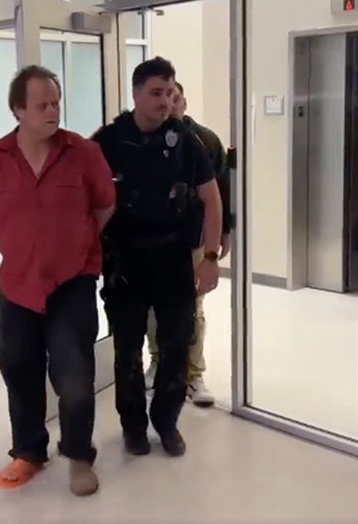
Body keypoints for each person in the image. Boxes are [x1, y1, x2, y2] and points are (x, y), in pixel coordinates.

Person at [0, 65, 116, 496]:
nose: (53, 111)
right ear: (18, 110)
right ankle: (29, 451)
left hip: (73, 281)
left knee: (74, 376)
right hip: (18, 284)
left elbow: (105, 206)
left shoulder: (85, 153)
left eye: (56, 103)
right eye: (42, 105)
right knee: (18, 368)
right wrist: (28, 243)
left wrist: (76, 243)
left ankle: (78, 455)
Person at [91, 57, 223, 457]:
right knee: (128, 350)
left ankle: (166, 422)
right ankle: (133, 427)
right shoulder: (107, 141)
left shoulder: (185, 142)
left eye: (169, 92)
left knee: (176, 345)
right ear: (135, 95)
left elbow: (212, 199)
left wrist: (210, 257)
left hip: (173, 258)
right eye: (155, 93)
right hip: (125, 262)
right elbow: (82, 200)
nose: (164, 101)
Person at [145, 81, 234, 407]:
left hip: (194, 238)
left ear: (184, 102)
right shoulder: (147, 139)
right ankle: (157, 363)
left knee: (193, 308)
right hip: (155, 241)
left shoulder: (205, 141)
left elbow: (222, 190)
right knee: (154, 307)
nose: (170, 104)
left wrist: (223, 232)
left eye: (175, 97)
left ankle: (194, 374)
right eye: (163, 97)